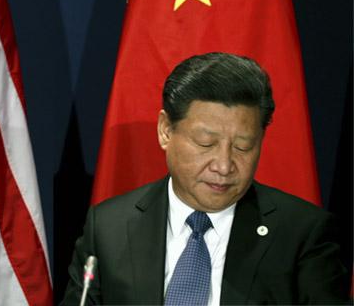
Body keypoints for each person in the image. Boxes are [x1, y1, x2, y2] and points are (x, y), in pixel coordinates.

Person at [61, 52, 349, 305]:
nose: (224, 166)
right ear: (165, 131)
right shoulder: (109, 228)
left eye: (243, 146)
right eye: (205, 143)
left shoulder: (302, 236)